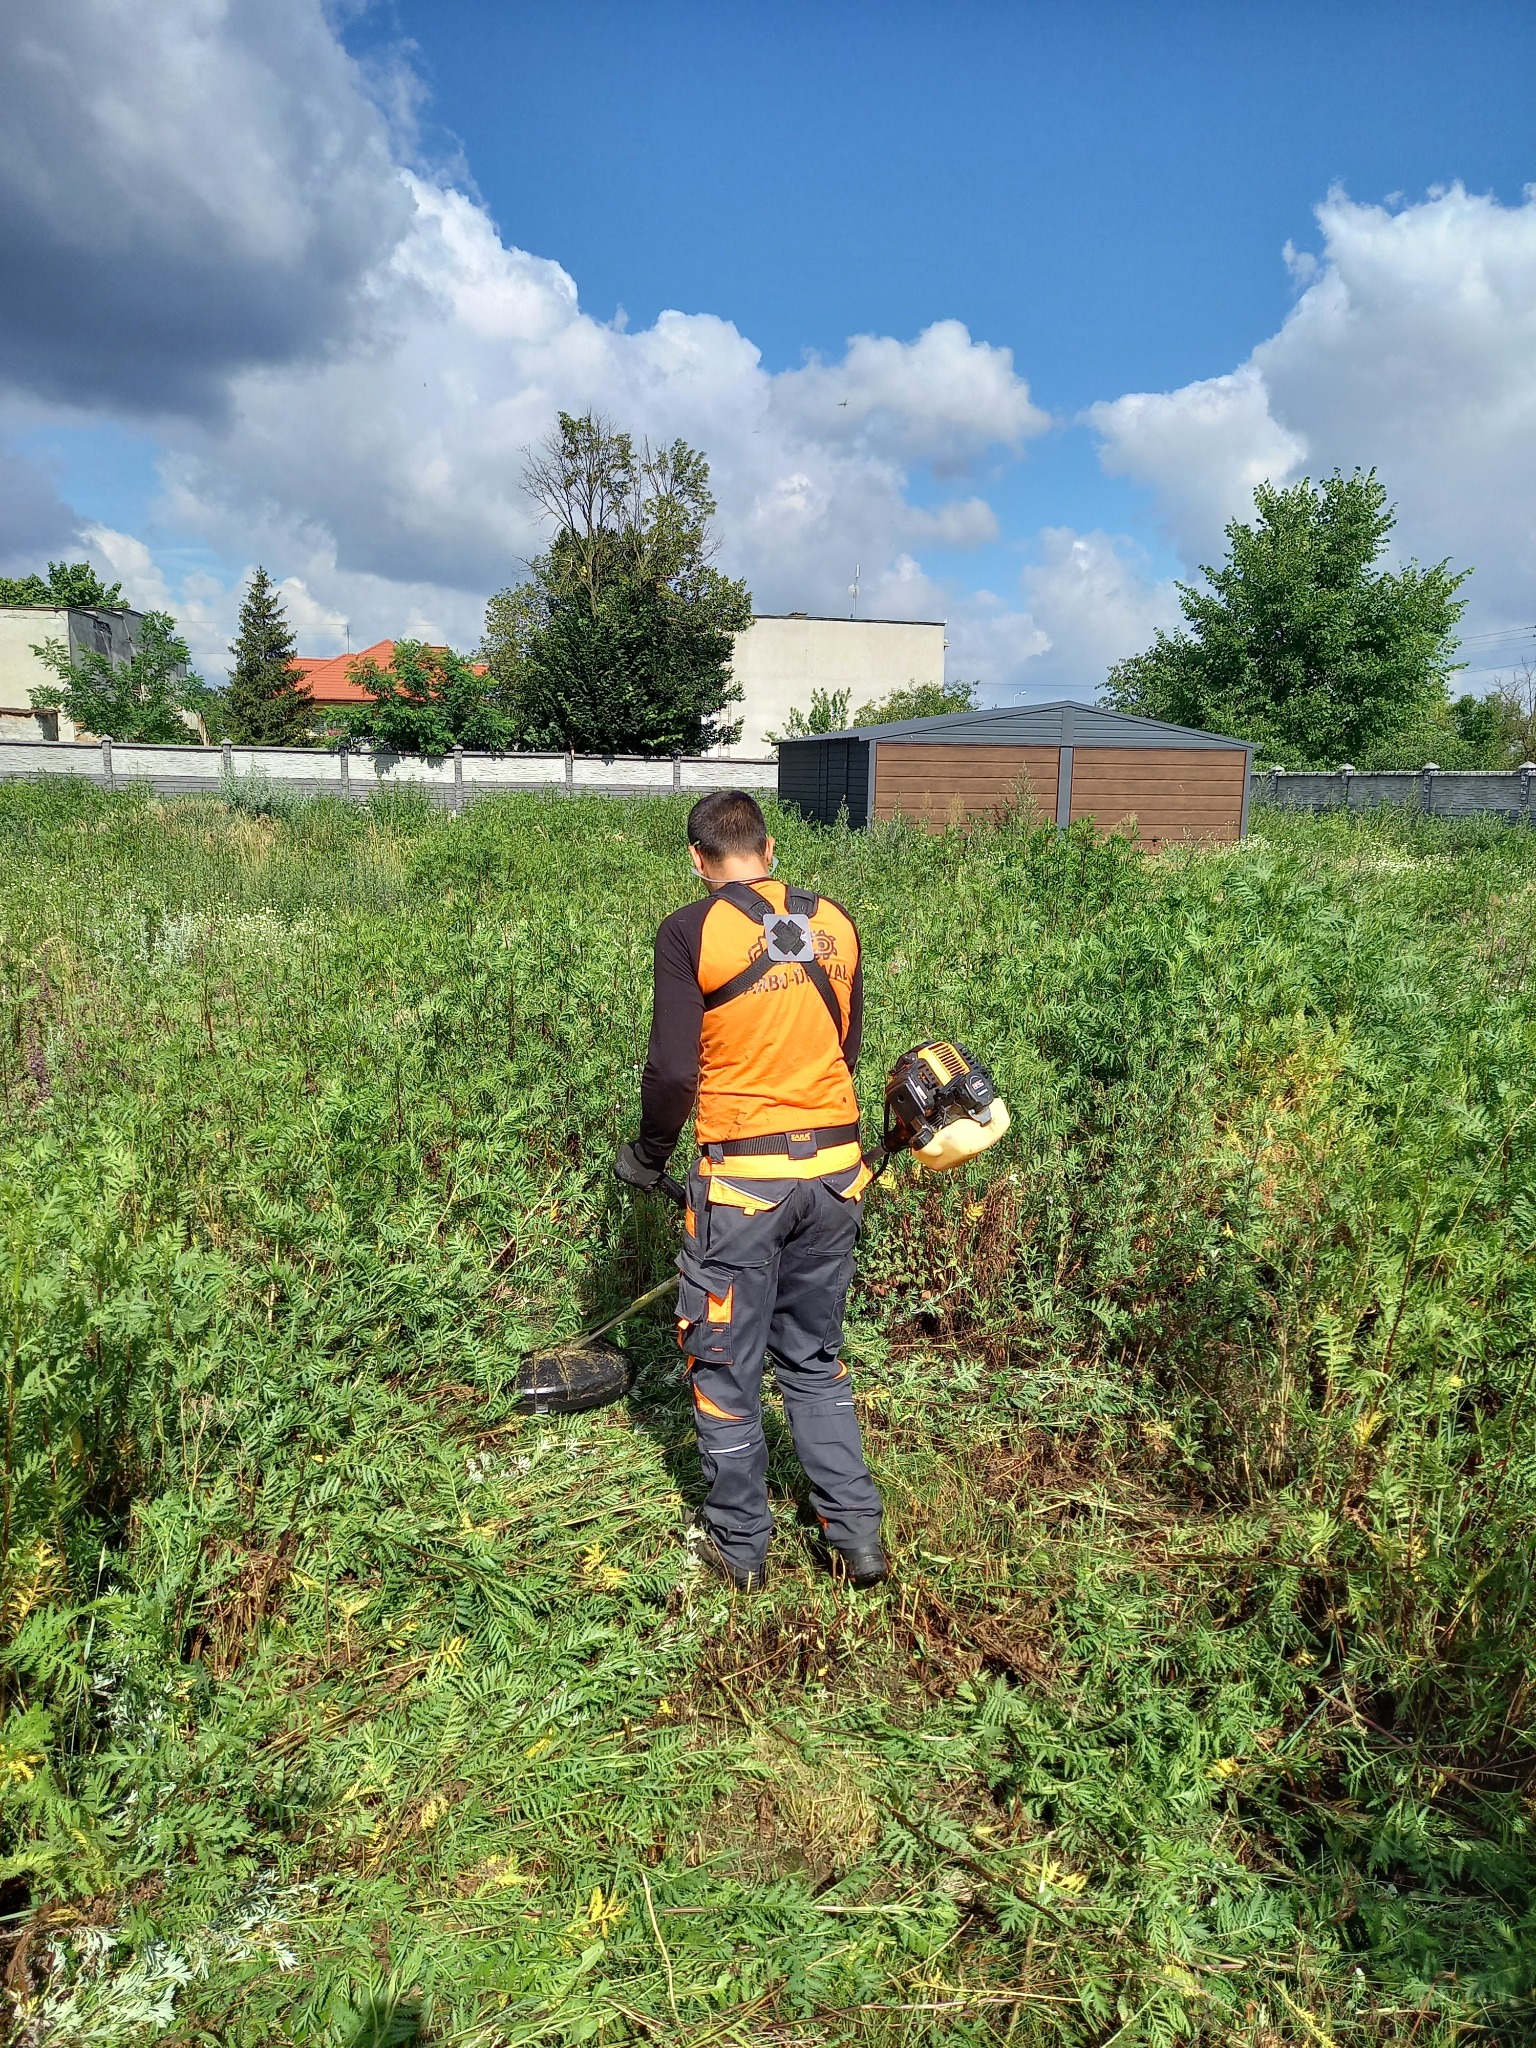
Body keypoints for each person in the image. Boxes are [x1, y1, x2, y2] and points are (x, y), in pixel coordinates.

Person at [615, 789, 886, 1592]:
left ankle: (740, 1550)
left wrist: (648, 1153)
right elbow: (849, 1048)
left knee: (726, 1369)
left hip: (742, 1191)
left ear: (697, 860)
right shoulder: (836, 921)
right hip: (838, 1177)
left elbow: (671, 1071)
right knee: (813, 1358)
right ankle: (856, 1537)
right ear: (768, 850)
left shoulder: (689, 930)